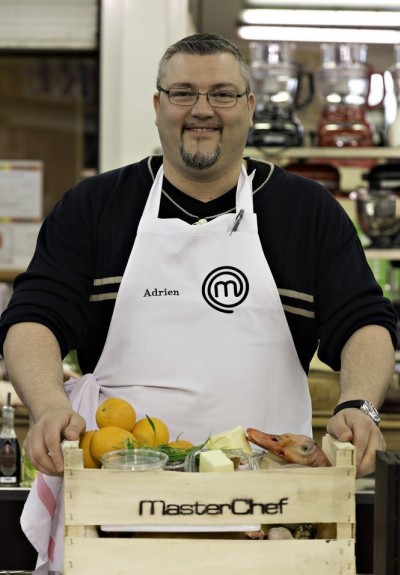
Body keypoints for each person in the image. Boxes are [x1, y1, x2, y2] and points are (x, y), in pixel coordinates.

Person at [0, 33, 396, 486]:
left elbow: (365, 320)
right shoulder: (93, 207)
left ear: (249, 107)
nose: (202, 110)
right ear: (157, 106)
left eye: (222, 95)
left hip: (273, 492)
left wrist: (359, 404)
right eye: (183, 93)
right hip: (120, 489)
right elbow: (34, 317)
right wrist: (50, 405)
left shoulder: (307, 211)